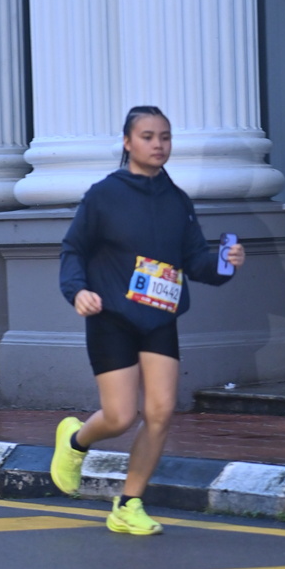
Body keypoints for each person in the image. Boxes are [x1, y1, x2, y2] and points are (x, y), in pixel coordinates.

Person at [51, 105, 245, 535]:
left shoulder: (177, 200)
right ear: (127, 142)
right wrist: (77, 291)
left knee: (160, 412)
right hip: (111, 316)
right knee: (120, 416)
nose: (158, 145)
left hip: (159, 318)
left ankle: (128, 503)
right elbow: (73, 249)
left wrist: (225, 262)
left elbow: (195, 261)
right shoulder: (104, 195)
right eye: (148, 136)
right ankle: (75, 440)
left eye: (165, 137)